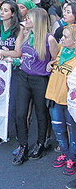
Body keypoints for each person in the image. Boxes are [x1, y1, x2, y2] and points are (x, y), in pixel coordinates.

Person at [13, 8, 58, 166]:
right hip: (24, 76)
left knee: (41, 113)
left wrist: (51, 64)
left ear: (37, 20)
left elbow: (56, 57)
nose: (27, 20)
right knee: (20, 114)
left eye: (29, 18)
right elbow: (18, 52)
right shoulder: (27, 34)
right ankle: (23, 146)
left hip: (40, 79)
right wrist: (21, 32)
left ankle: (40, 143)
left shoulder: (49, 39)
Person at [0, 0, 24, 146]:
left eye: (6, 10)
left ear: (13, 13)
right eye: (1, 10)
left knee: (13, 103)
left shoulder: (19, 29)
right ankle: (1, 131)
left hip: (15, 70)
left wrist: (0, 52)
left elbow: (18, 52)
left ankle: (16, 129)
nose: (2, 12)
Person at [46, 24, 76, 176]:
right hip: (55, 97)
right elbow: (53, 64)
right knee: (58, 129)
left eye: (66, 37)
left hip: (70, 103)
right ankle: (64, 153)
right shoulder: (60, 49)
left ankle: (72, 158)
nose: (62, 39)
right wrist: (50, 65)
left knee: (73, 132)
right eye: (62, 36)